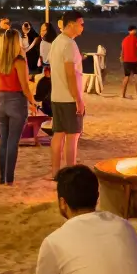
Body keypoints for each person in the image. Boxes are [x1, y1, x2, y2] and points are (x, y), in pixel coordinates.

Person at [0, 28, 37, 185]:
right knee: (13, 142)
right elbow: (25, 87)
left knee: (3, 140)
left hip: (1, 102)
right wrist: (33, 102)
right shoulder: (19, 62)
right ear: (17, 43)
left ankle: (2, 178)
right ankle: (9, 178)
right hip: (16, 102)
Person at [49, 11, 86, 172]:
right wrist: (78, 99)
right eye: (81, 23)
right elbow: (70, 74)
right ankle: (70, 172)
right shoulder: (69, 44)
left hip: (56, 96)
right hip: (69, 99)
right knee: (72, 136)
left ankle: (56, 172)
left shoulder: (56, 42)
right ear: (71, 24)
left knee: (58, 134)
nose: (82, 27)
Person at [119, 26, 137, 99]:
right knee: (136, 76)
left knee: (126, 76)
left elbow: (122, 50)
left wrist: (121, 57)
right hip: (134, 60)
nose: (136, 31)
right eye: (135, 30)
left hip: (126, 60)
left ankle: (122, 94)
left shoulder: (124, 39)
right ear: (133, 30)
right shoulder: (135, 39)